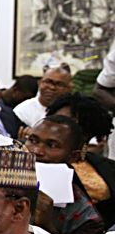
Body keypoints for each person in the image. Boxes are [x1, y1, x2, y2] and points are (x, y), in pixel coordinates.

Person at [24, 115, 106, 234]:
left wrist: (47, 226)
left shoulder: (85, 217)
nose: (36, 151)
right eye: (33, 140)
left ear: (73, 156)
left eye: (52, 145)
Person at [47, 93, 115, 227]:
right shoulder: (39, 162)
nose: (58, 127)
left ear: (87, 132)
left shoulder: (107, 166)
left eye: (67, 122)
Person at [13, 63, 73, 129]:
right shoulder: (22, 111)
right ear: (40, 83)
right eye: (47, 82)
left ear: (69, 88)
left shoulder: (74, 111)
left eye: (59, 84)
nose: (52, 87)